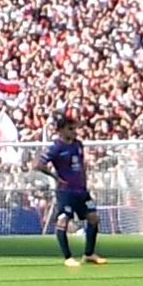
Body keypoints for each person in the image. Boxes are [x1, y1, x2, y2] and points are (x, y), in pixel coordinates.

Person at [39, 114, 106, 268]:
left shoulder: (78, 145)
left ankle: (89, 254)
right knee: (63, 221)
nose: (74, 131)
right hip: (65, 192)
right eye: (70, 129)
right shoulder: (56, 148)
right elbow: (38, 164)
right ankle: (68, 257)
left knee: (93, 217)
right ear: (61, 130)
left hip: (81, 191)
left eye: (75, 128)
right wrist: (55, 177)